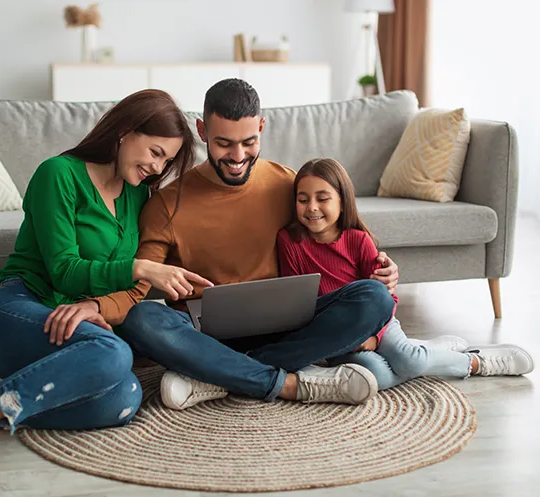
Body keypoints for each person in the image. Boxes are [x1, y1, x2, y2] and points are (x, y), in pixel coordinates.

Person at [0, 89, 213, 481]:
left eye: (167, 161)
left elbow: (125, 292)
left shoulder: (137, 195)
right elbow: (64, 271)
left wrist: (97, 306)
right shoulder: (58, 174)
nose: (158, 168)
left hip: (75, 325)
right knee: (113, 355)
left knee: (123, 400)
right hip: (22, 310)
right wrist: (140, 268)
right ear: (127, 131)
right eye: (156, 153)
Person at [90, 78, 402, 411]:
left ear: (262, 128)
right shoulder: (166, 204)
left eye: (249, 142)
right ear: (202, 131)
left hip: (287, 327)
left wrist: (382, 270)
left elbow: (334, 236)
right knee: (144, 319)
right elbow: (137, 289)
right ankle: (284, 383)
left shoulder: (287, 183)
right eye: (224, 143)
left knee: (374, 298)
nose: (237, 156)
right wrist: (97, 308)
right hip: (206, 333)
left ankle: (216, 374)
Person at [277, 158, 535, 390]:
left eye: (322, 199)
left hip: (378, 325)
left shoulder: (358, 241)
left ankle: (476, 362)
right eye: (303, 200)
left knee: (408, 361)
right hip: (338, 338)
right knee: (377, 374)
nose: (312, 207)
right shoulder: (289, 242)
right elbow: (298, 304)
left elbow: (385, 298)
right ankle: (429, 350)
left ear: (343, 202)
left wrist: (374, 336)